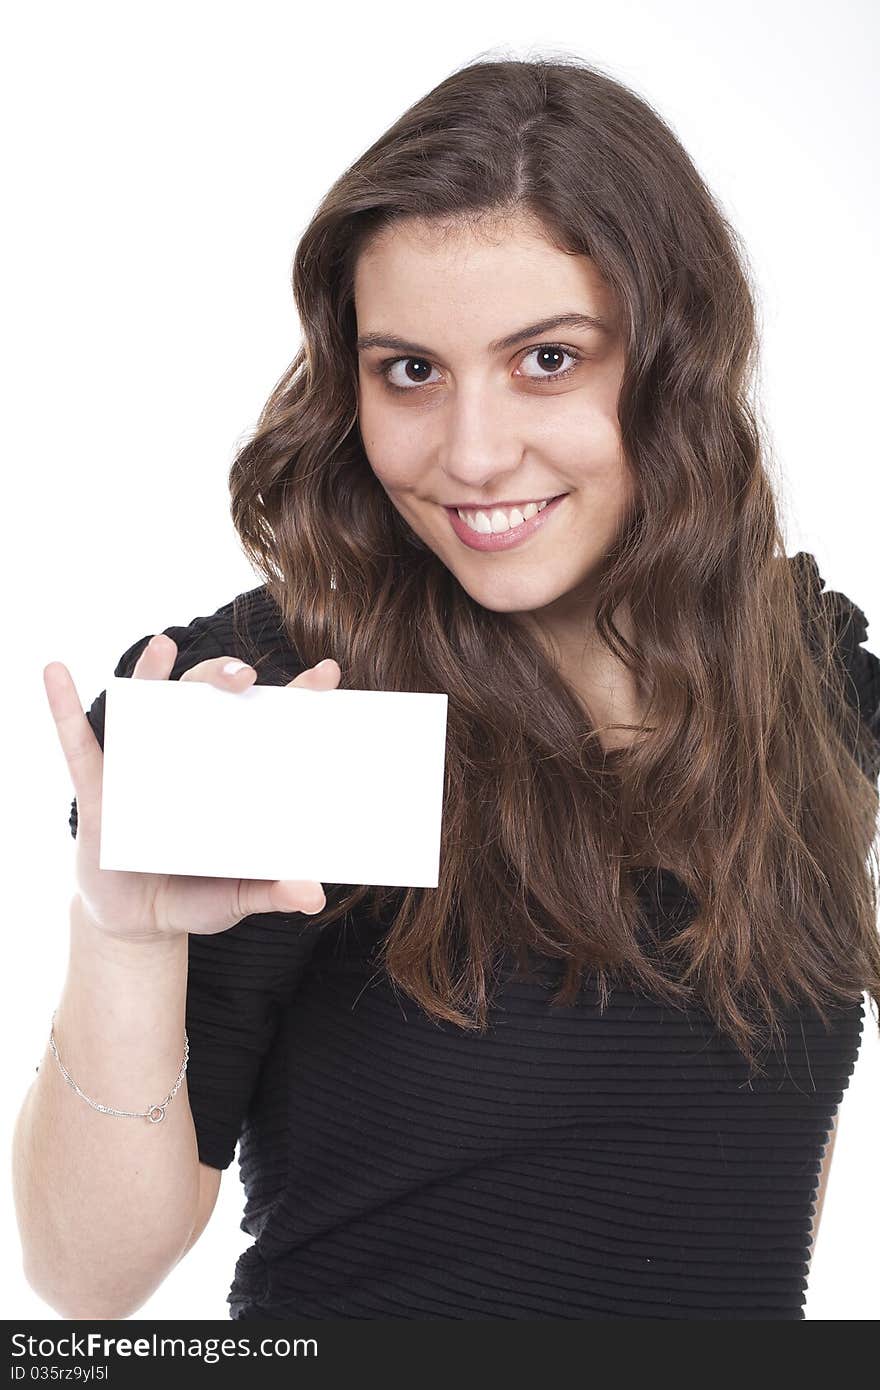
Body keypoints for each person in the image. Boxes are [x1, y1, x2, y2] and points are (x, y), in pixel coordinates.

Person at [13, 55, 880, 1322]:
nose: (471, 455)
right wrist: (126, 940)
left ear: (678, 354)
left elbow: (752, 1189)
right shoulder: (273, 705)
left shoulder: (805, 676)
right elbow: (86, 1283)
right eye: (408, 371)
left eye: (545, 360)